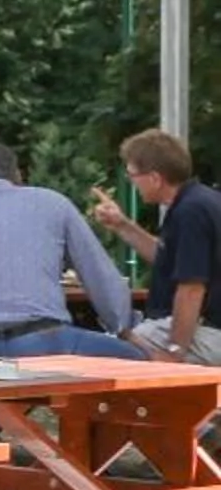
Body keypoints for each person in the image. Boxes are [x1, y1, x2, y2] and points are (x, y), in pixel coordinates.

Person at [0, 141, 137, 360]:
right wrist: (122, 326)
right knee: (139, 358)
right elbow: (99, 275)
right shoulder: (55, 204)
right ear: (17, 173)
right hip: (44, 341)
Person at [89, 126, 221, 363]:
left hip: (212, 332)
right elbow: (167, 258)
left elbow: (191, 289)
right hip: (210, 328)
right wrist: (122, 225)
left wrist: (175, 352)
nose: (132, 183)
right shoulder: (200, 201)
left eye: (132, 176)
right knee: (128, 338)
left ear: (155, 178)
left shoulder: (190, 213)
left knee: (117, 350)